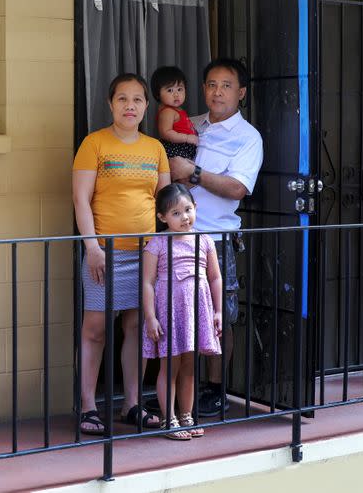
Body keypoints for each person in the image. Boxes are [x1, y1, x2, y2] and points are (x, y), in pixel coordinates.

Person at [73, 73, 172, 434]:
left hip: (145, 252)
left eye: (137, 100)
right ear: (110, 104)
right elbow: (80, 198)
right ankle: (87, 406)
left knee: (136, 327)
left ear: (147, 106)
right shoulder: (94, 143)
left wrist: (162, 248)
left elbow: (166, 202)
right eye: (122, 99)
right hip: (105, 252)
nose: (130, 106)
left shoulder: (155, 148)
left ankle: (132, 403)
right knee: (96, 329)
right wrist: (92, 246)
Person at [169, 58, 263, 417]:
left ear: (240, 93)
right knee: (176, 312)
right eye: (211, 84)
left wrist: (193, 173)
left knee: (219, 315)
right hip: (175, 237)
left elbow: (238, 188)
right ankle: (176, 390)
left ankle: (216, 389)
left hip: (215, 239)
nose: (217, 91)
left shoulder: (247, 137)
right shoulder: (190, 125)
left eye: (226, 85)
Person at [142, 183, 222, 440]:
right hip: (169, 313)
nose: (184, 217)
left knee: (189, 365)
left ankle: (186, 416)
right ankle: (169, 419)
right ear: (162, 217)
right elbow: (147, 282)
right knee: (170, 366)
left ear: (196, 208)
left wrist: (218, 312)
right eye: (176, 213)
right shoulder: (158, 242)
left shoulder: (204, 240)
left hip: (196, 312)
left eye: (188, 209)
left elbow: (215, 278)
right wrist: (150, 317)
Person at [150, 66, 199, 160]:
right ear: (158, 94)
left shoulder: (177, 109)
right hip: (175, 147)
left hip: (185, 146)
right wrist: (187, 138)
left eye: (179, 89)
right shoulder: (167, 112)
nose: (176, 94)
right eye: (170, 90)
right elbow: (166, 132)